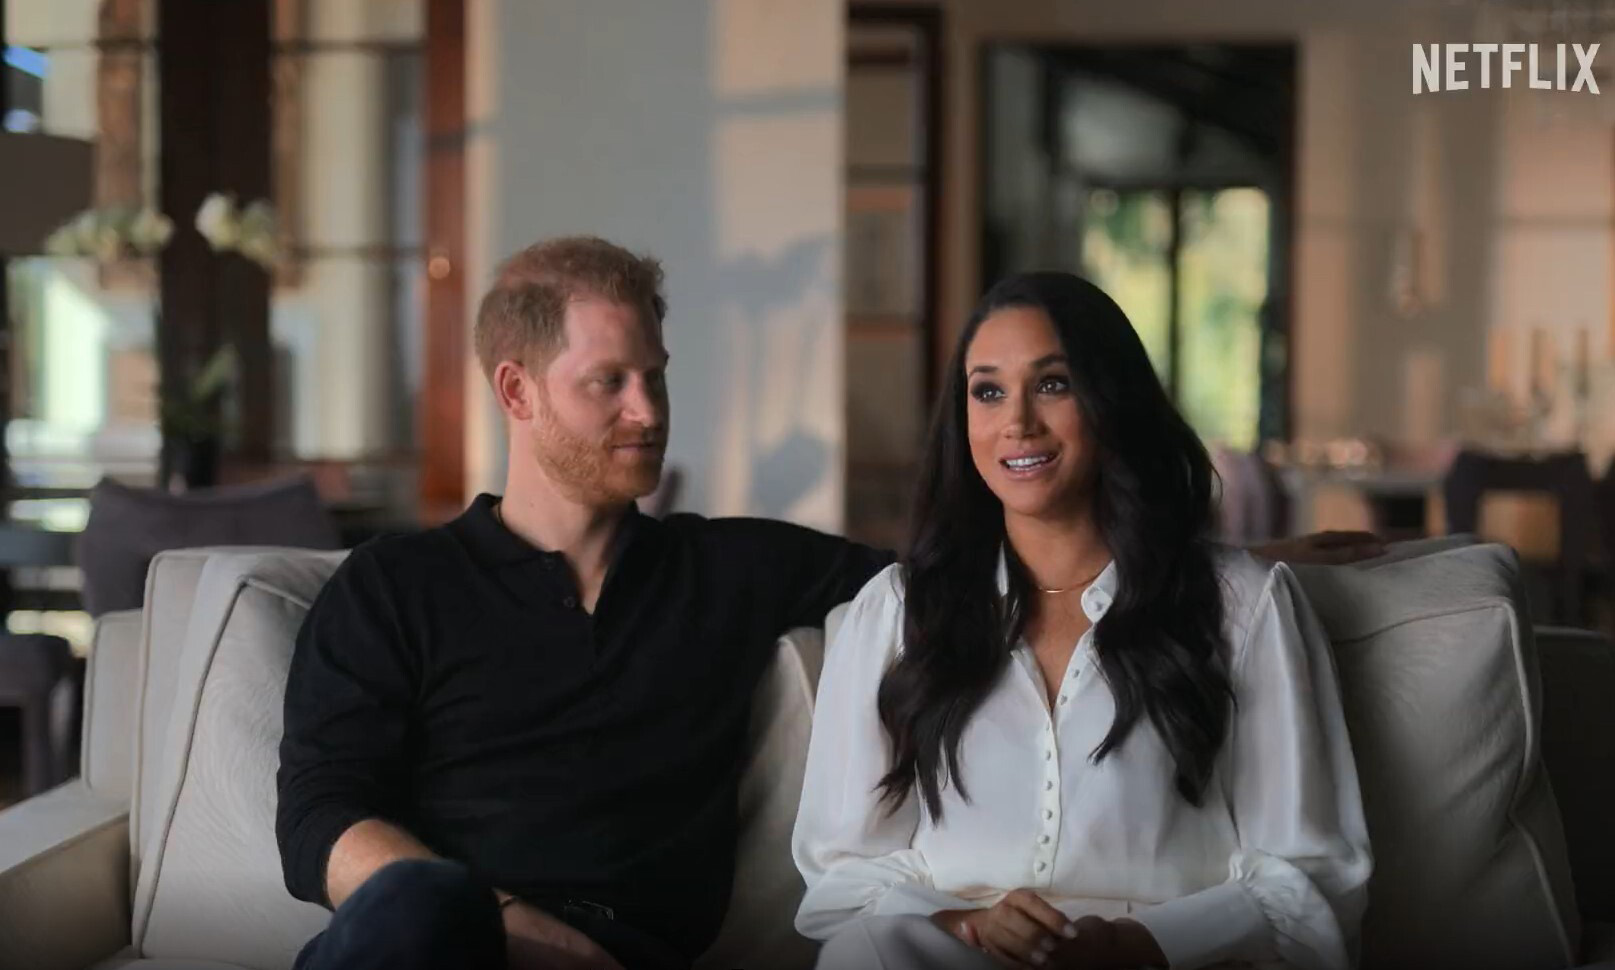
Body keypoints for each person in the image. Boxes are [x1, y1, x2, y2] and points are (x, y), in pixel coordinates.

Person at [278, 236, 1378, 970]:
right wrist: (509, 927)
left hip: (641, 959)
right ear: (516, 391)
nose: (647, 410)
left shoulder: (734, 571)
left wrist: (1227, 555)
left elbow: (1004, 549)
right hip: (448, 943)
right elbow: (320, 818)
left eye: (655, 375)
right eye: (606, 382)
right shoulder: (393, 587)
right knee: (420, 908)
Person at [792, 272, 1373, 970]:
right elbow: (838, 885)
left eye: (1052, 384)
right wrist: (968, 924)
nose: (1016, 422)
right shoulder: (895, 612)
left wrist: (1137, 944)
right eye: (987, 390)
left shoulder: (1240, 605)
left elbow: (1310, 876)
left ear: (1109, 401)